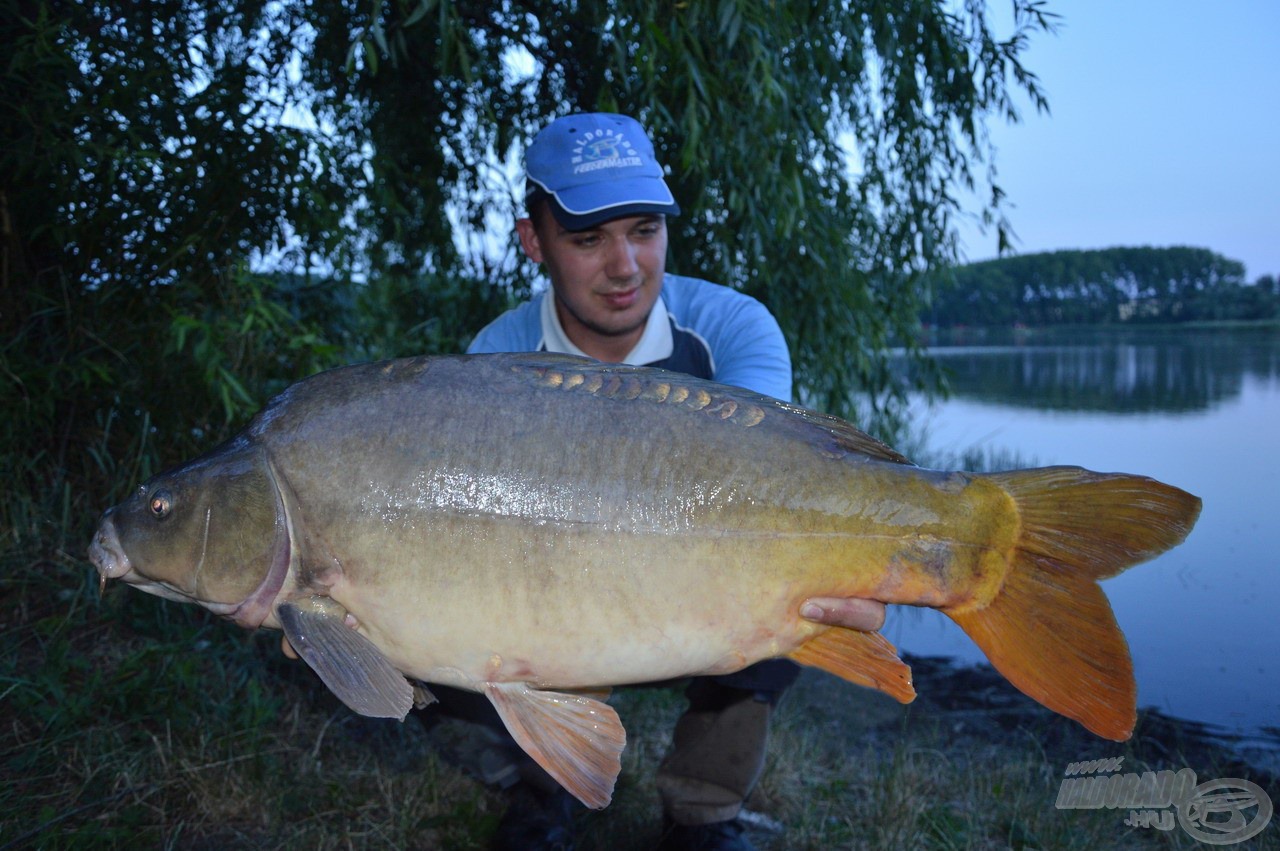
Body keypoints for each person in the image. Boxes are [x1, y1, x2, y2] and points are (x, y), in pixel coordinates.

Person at [451, 112, 886, 851]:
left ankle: (704, 810)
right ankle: (540, 790)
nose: (624, 266)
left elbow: (764, 487)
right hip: (558, 591)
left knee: (786, 590)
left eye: (644, 230)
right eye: (588, 239)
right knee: (432, 622)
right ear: (535, 243)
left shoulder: (735, 328)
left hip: (704, 584)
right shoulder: (496, 355)